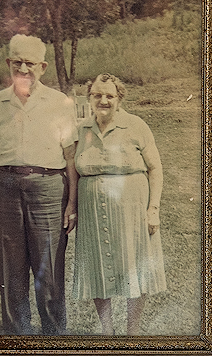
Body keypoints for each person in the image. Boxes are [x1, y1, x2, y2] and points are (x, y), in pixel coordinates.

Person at [0, 35, 78, 336]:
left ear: (42, 67)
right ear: (8, 63)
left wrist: (72, 204)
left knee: (48, 269)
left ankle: (53, 333)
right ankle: (17, 333)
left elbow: (71, 158)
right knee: (12, 268)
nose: (23, 68)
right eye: (16, 61)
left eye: (30, 63)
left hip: (48, 189)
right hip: (4, 187)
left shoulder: (59, 102)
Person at [67, 75, 166, 335]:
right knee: (97, 267)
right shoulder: (82, 130)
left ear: (119, 99)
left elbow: (155, 168)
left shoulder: (135, 125)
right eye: (97, 95)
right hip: (92, 210)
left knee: (135, 266)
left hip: (131, 207)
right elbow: (74, 172)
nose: (103, 100)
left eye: (110, 96)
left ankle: (132, 330)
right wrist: (72, 207)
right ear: (89, 98)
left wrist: (153, 209)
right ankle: (107, 330)